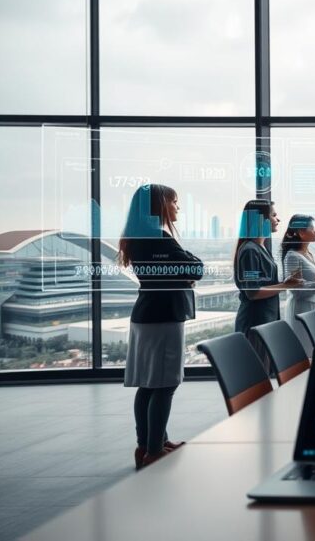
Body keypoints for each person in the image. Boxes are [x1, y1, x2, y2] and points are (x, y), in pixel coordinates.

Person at [118, 184, 204, 469]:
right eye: (174, 201)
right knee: (166, 384)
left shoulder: (138, 237)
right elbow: (195, 269)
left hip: (147, 314)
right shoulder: (160, 238)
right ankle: (154, 451)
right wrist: (188, 268)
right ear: (159, 204)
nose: (178, 207)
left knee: (148, 384)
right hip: (163, 317)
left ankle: (148, 444)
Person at [233, 200, 300, 370]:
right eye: (274, 215)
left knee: (263, 373)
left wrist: (285, 283)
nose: (278, 219)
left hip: (264, 321)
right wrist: (285, 285)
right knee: (257, 375)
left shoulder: (259, 247)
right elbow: (253, 292)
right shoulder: (250, 250)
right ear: (261, 220)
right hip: (255, 322)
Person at [280, 214, 315, 324]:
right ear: (301, 233)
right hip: (301, 309)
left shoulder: (311, 254)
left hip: (314, 306)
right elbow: (296, 291)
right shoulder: (292, 256)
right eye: (312, 228)